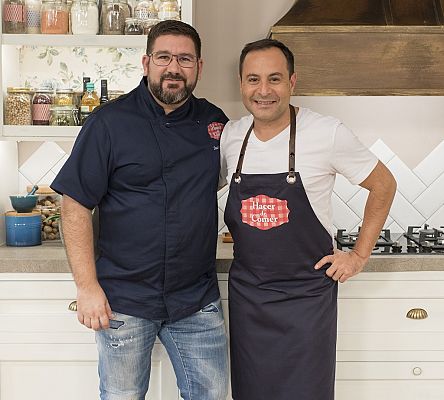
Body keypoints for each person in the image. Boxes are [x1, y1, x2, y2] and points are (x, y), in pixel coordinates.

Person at [51, 20, 229, 400]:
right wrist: (86, 287)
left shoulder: (215, 123)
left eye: (185, 59)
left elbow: (225, 180)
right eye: (164, 57)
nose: (174, 68)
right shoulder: (108, 123)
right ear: (146, 62)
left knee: (212, 394)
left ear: (199, 66)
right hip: (124, 301)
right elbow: (75, 204)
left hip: (196, 300)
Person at [220, 38, 396, 400]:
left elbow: (383, 185)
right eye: (253, 80)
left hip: (307, 298)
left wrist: (358, 255)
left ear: (292, 82)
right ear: (241, 83)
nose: (263, 91)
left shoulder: (327, 133)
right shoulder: (231, 136)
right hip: (249, 297)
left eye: (275, 79)